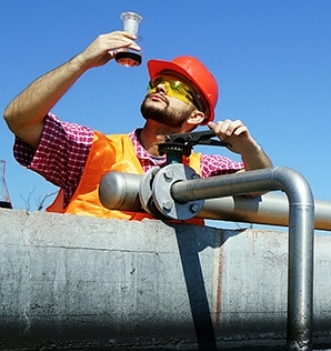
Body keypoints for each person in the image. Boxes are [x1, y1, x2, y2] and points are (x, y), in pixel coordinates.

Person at [3, 30, 272, 221]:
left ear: (196, 117)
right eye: (156, 83)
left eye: (177, 88)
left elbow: (259, 183)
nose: (161, 87)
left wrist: (249, 148)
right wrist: (81, 61)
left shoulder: (201, 171)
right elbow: (18, 119)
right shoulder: (93, 149)